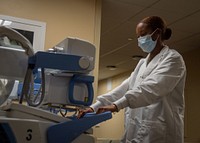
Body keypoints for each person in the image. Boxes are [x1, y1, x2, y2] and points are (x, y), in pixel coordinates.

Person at [78, 16, 186, 143]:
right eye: (138, 37)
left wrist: (117, 105)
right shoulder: (142, 63)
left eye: (143, 35)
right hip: (136, 130)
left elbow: (151, 89)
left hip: (160, 133)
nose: (140, 40)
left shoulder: (173, 59)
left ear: (156, 33)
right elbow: (123, 89)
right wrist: (94, 107)